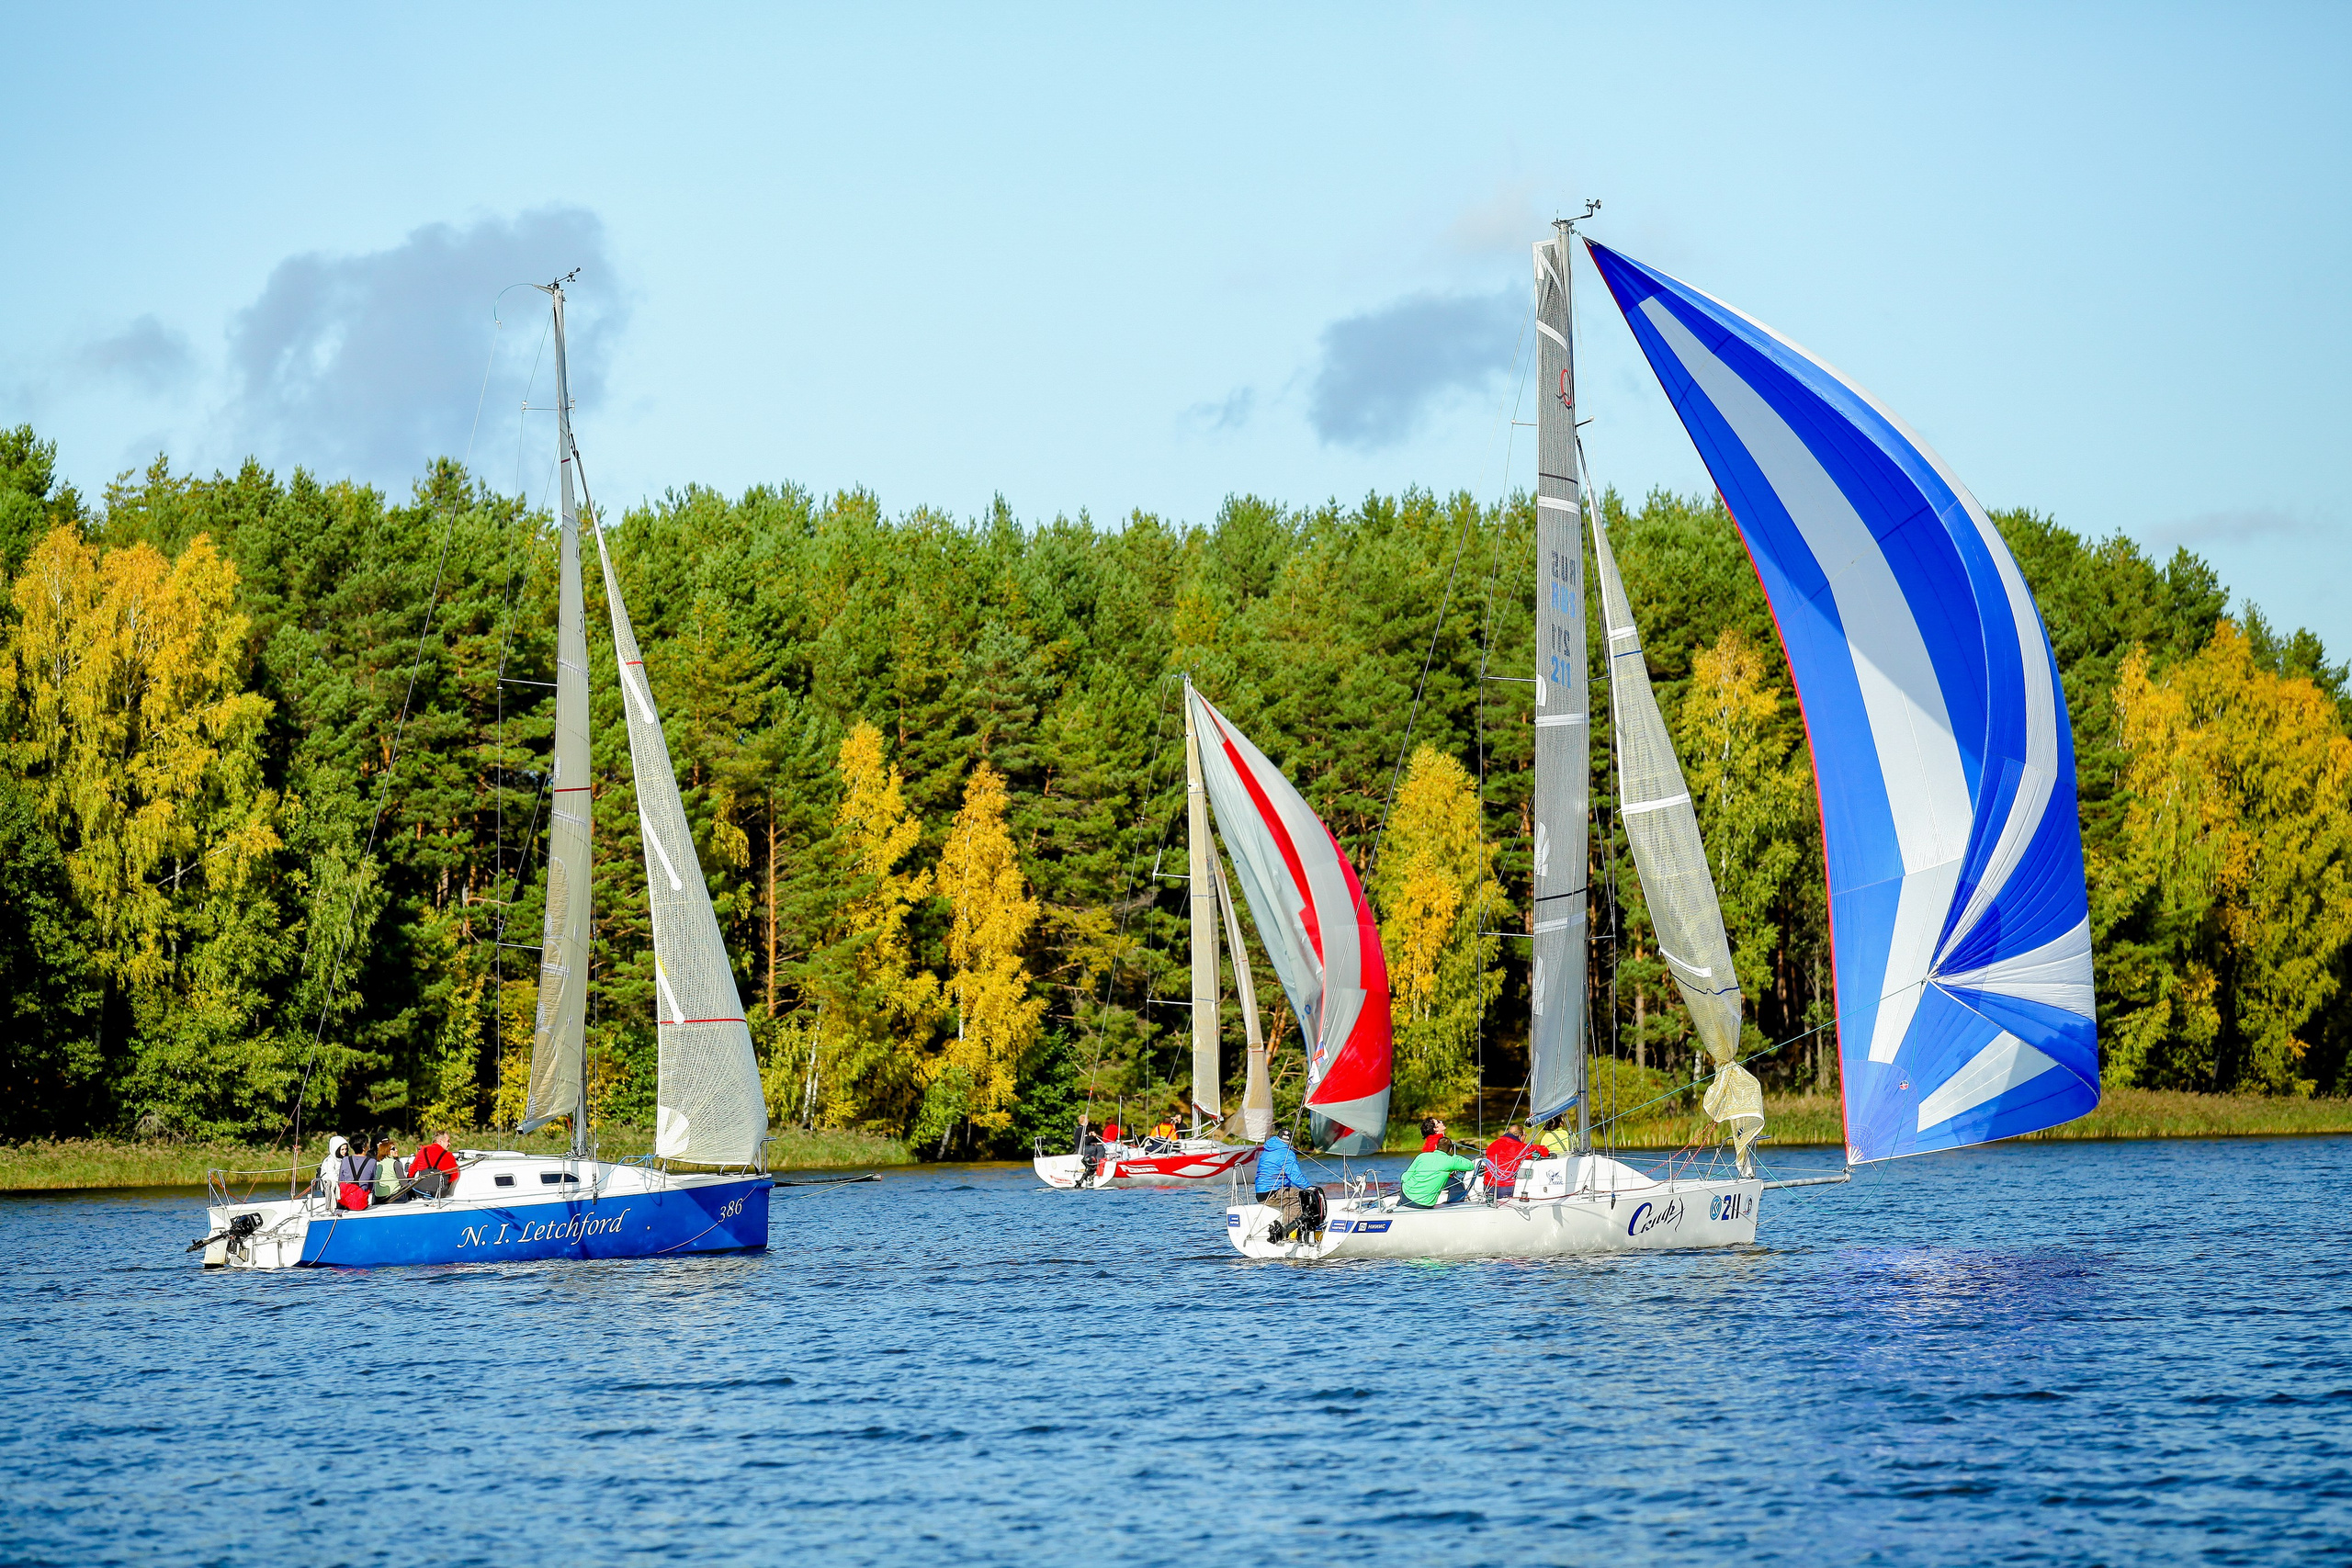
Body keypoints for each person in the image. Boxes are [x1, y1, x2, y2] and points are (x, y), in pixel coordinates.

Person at [1400, 1142, 1477, 1209]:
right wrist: (1456, 1156)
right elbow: (1470, 1166)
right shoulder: (1451, 1161)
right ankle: (1454, 1204)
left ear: (1436, 1147)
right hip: (1425, 1204)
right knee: (1456, 1183)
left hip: (1405, 1198)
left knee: (1405, 1187)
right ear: (1450, 1150)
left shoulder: (1422, 1156)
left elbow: (1405, 1177)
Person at [407, 1129, 461, 1201]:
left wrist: (409, 1181)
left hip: (420, 1190)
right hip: (439, 1192)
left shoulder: (423, 1151)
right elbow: (455, 1175)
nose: (449, 1144)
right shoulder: (449, 1156)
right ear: (441, 1142)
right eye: (448, 1141)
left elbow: (412, 1171)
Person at [1482, 1123, 1531, 1195]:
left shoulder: (1493, 1144)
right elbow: (1541, 1151)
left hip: (1488, 1185)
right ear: (1520, 1136)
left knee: (1491, 1204)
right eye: (1525, 1136)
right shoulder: (1518, 1147)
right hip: (1505, 1186)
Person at [334, 1138, 379, 1212]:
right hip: (361, 1202)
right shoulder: (372, 1162)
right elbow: (371, 1184)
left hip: (346, 1201)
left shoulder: (345, 1159)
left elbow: (341, 1180)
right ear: (364, 1147)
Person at [371, 1135, 405, 1203]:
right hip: (394, 1197)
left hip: (378, 1198)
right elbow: (404, 1183)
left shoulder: (377, 1164)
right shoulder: (395, 1163)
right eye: (393, 1149)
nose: (396, 1150)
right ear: (387, 1151)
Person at [314, 1134, 350, 1199]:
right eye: (342, 1149)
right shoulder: (329, 1161)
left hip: (342, 1185)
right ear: (336, 1149)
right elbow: (332, 1176)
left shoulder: (345, 1159)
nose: (345, 1151)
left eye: (346, 1149)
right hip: (330, 1186)